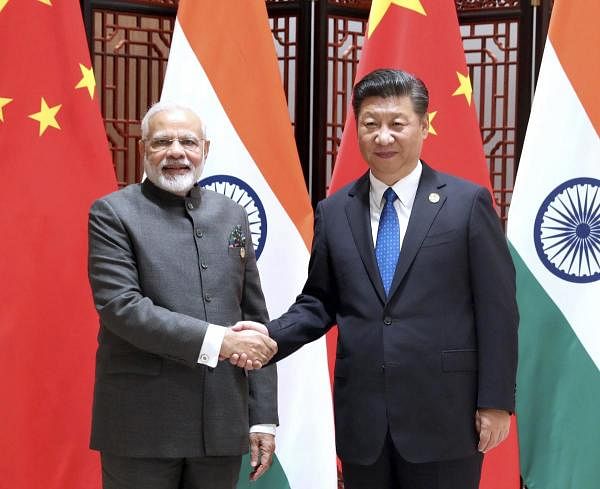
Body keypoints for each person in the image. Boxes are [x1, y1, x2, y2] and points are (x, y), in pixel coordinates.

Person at [235, 69, 518, 489]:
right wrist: (269, 339)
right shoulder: (334, 211)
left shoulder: (466, 203)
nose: (383, 136)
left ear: (423, 127)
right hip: (363, 419)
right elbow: (319, 302)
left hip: (445, 414)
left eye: (396, 124)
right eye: (371, 124)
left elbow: (498, 310)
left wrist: (495, 402)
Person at [87, 102, 278, 489]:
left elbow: (254, 318)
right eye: (163, 141)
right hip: (142, 424)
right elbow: (122, 308)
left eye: (188, 141)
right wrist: (220, 341)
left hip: (222, 423)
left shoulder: (232, 214)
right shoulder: (112, 214)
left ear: (205, 149)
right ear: (144, 149)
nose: (176, 151)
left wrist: (261, 417)